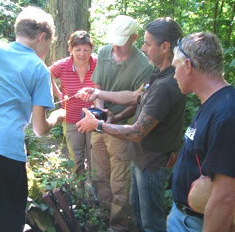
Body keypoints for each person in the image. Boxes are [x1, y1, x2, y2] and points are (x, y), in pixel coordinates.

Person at [0, 6, 65, 232]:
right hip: (5, 149)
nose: (47, 49)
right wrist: (57, 116)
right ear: (42, 37)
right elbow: (39, 128)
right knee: (9, 224)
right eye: (49, 44)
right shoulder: (39, 69)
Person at [76, 17, 187, 232]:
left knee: (151, 222)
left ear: (165, 47)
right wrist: (101, 98)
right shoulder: (158, 73)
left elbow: (136, 132)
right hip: (143, 159)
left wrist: (97, 125)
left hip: (153, 163)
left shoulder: (166, 84)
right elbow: (136, 97)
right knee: (139, 215)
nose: (143, 48)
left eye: (147, 44)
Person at [87, 15, 153, 232]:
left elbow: (137, 100)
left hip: (121, 127)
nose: (117, 46)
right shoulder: (105, 52)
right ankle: (105, 211)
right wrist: (100, 109)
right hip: (99, 122)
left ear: (134, 37)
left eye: (122, 41)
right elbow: (98, 84)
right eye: (114, 40)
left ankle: (118, 225)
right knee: (99, 172)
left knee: (119, 179)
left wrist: (117, 116)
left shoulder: (143, 65)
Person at [168, 32, 235, 231]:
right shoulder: (214, 102)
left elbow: (226, 198)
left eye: (175, 67)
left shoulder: (226, 115)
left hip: (197, 224)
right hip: (185, 218)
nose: (174, 75)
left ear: (188, 66)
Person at [49, 31, 96, 185]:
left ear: (91, 49)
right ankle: (79, 190)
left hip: (94, 118)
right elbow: (46, 75)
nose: (82, 54)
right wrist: (59, 95)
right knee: (76, 158)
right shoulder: (62, 65)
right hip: (71, 118)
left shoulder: (98, 64)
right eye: (77, 50)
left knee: (95, 157)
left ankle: (96, 192)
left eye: (86, 50)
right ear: (70, 49)